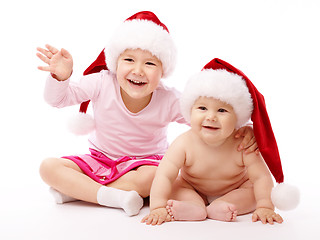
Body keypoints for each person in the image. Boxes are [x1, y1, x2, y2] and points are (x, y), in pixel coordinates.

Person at [36, 12, 257, 216]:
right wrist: (61, 77)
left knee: (156, 177)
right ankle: (111, 196)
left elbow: (206, 121)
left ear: (163, 72)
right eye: (129, 60)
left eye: (150, 63)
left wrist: (244, 129)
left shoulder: (169, 99)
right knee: (48, 167)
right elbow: (57, 100)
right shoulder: (101, 82)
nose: (138, 71)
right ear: (115, 62)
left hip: (145, 165)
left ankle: (80, 192)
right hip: (99, 160)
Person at [142, 58, 292, 225]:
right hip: (191, 187)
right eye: (202, 108)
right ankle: (194, 206)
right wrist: (157, 207)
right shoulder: (184, 143)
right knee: (175, 186)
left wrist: (265, 206)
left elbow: (261, 178)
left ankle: (221, 206)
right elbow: (164, 175)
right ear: (189, 111)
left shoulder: (242, 144)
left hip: (234, 189)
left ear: (238, 118)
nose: (211, 117)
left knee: (252, 193)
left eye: (222, 110)